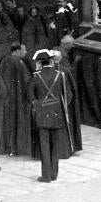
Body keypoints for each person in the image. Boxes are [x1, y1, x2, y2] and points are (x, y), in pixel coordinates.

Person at [28, 49, 70, 182]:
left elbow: (29, 95)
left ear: (40, 63)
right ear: (51, 61)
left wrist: (37, 106)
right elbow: (68, 95)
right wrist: (60, 106)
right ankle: (54, 174)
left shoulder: (35, 76)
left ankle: (46, 175)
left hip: (42, 114)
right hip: (57, 114)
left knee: (44, 145)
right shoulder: (60, 75)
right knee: (55, 145)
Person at [0, 42, 32, 156]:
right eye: (24, 50)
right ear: (17, 51)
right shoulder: (19, 62)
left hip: (6, 98)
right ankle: (17, 148)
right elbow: (27, 81)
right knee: (18, 122)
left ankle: (6, 147)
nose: (26, 52)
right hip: (18, 99)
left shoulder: (4, 59)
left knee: (7, 123)